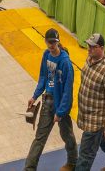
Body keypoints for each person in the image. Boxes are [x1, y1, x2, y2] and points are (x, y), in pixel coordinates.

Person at [23, 29, 76, 169]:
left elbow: (67, 91)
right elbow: (43, 77)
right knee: (40, 138)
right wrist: (34, 96)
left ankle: (73, 162)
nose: (52, 45)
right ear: (45, 41)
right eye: (49, 42)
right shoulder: (46, 55)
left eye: (54, 42)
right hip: (47, 102)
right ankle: (29, 168)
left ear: (58, 42)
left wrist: (60, 112)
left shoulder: (65, 63)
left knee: (67, 135)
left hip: (60, 105)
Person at [75, 33, 105, 171]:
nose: (89, 49)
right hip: (86, 114)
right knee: (104, 141)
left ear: (101, 48)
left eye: (92, 47)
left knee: (85, 155)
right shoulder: (90, 59)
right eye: (88, 46)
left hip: (95, 120)